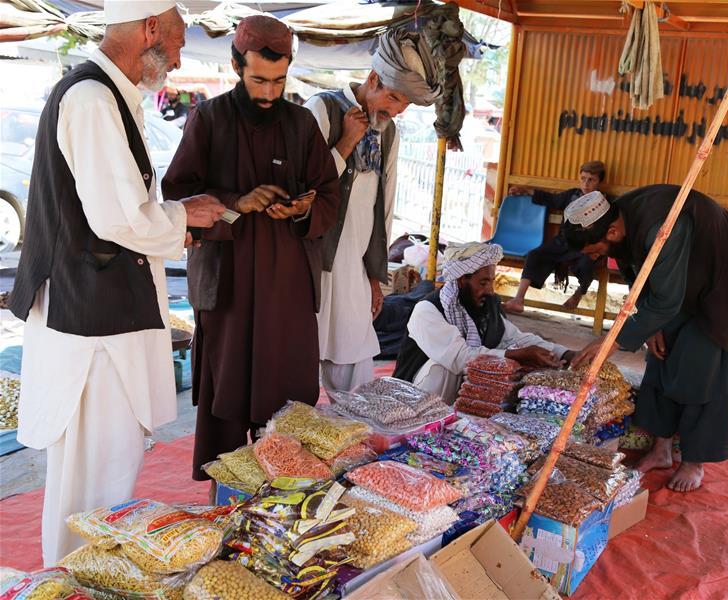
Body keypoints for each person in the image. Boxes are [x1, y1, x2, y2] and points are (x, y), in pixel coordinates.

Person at [8, 1, 226, 565]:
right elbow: (117, 218)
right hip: (91, 328)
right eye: (177, 41)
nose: (178, 58)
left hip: (102, 320)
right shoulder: (91, 98)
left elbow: (120, 207)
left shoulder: (106, 96)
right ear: (149, 28)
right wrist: (185, 216)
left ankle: (94, 575)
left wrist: (178, 215)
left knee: (108, 470)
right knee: (92, 481)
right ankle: (77, 579)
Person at [161, 15, 341, 483]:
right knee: (228, 396)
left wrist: (301, 210)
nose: (268, 93)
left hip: (288, 292)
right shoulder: (209, 119)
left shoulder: (302, 125)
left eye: (279, 82)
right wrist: (235, 204)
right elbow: (178, 197)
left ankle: (282, 508)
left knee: (286, 407)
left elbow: (329, 197)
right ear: (236, 65)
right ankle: (222, 503)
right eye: (259, 79)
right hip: (229, 287)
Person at [568, 184, 728, 492]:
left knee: (703, 367)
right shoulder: (618, 221)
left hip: (721, 277)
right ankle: (660, 451)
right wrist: (650, 325)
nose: (593, 257)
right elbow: (639, 275)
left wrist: (612, 342)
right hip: (676, 282)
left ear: (610, 232)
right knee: (662, 355)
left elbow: (666, 302)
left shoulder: (661, 226)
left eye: (593, 250)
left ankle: (693, 462)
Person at [304, 30, 441, 393]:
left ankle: (354, 447)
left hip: (353, 271)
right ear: (373, 79)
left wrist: (374, 277)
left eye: (403, 105)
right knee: (298, 366)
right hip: (312, 264)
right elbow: (302, 191)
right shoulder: (323, 109)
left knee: (354, 376)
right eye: (393, 98)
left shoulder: (388, 132)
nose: (394, 110)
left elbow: (384, 208)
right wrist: (347, 141)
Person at [394, 243, 575, 403]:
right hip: (411, 394)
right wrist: (519, 355)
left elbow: (515, 338)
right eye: (483, 282)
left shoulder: (484, 304)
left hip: (457, 392)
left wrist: (565, 353)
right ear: (462, 280)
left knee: (513, 370)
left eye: (491, 282)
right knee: (443, 367)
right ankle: (427, 425)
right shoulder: (427, 310)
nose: (489, 290)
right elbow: (460, 358)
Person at [504, 160, 607, 313]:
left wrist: (596, 246)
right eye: (583, 179)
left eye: (591, 180)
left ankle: (579, 294)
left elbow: (607, 231)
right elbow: (552, 200)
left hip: (587, 247)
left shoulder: (605, 202)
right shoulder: (572, 195)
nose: (585, 184)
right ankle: (518, 299)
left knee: (587, 265)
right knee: (534, 255)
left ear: (600, 181)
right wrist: (525, 190)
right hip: (562, 243)